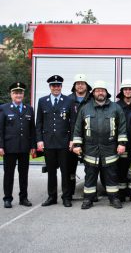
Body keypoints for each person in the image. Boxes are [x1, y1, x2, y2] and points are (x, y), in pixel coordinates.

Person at [72, 80, 127, 209]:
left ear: (106, 93)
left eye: (102, 90)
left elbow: (122, 127)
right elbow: (78, 128)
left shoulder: (115, 108)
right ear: (93, 93)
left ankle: (114, 199)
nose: (100, 92)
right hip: (90, 149)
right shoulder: (85, 108)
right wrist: (77, 145)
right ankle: (88, 200)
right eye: (97, 90)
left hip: (110, 148)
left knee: (112, 176)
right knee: (90, 175)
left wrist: (122, 143)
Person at [36, 75, 75, 207]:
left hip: (64, 142)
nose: (56, 88)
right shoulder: (42, 101)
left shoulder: (68, 100)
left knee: (65, 171)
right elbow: (39, 123)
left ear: (61, 86)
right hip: (48, 142)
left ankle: (66, 197)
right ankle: (52, 197)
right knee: (51, 172)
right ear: (50, 87)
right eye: (54, 85)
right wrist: (39, 140)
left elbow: (73, 123)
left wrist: (72, 140)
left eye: (58, 85)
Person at [0, 82, 36, 208]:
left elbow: (32, 129)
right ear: (11, 94)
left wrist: (33, 146)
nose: (18, 95)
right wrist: (1, 146)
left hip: (24, 148)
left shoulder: (28, 109)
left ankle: (23, 198)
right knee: (8, 174)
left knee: (23, 174)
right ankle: (7, 198)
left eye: (20, 93)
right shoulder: (4, 108)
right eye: (16, 93)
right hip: (9, 148)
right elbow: (0, 130)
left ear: (23, 94)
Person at [68, 74, 92, 199]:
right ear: (74, 86)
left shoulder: (92, 99)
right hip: (72, 139)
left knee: (89, 167)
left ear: (87, 86)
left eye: (83, 83)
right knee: (70, 167)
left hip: (89, 139)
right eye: (78, 83)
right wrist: (71, 140)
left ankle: (89, 193)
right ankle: (69, 192)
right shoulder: (68, 100)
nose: (80, 85)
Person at [116, 79, 131, 202]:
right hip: (122, 143)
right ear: (122, 91)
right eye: (126, 89)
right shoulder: (116, 106)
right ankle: (121, 194)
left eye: (130, 89)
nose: (128, 91)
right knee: (121, 168)